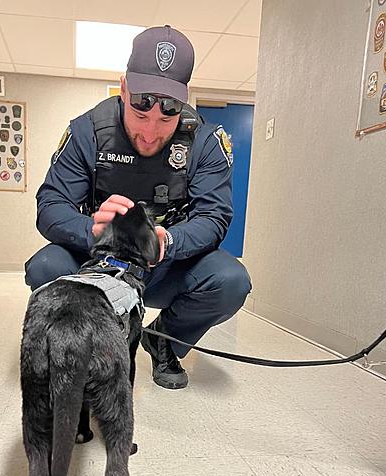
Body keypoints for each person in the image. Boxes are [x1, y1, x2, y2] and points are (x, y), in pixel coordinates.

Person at [24, 25, 252, 389]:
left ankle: (164, 340)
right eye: (140, 115)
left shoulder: (206, 142)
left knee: (231, 281)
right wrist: (91, 230)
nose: (149, 133)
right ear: (124, 88)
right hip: (98, 263)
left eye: (165, 120)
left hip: (165, 262)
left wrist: (168, 241)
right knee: (46, 267)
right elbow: (51, 204)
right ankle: (91, 347)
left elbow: (214, 216)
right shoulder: (88, 131)